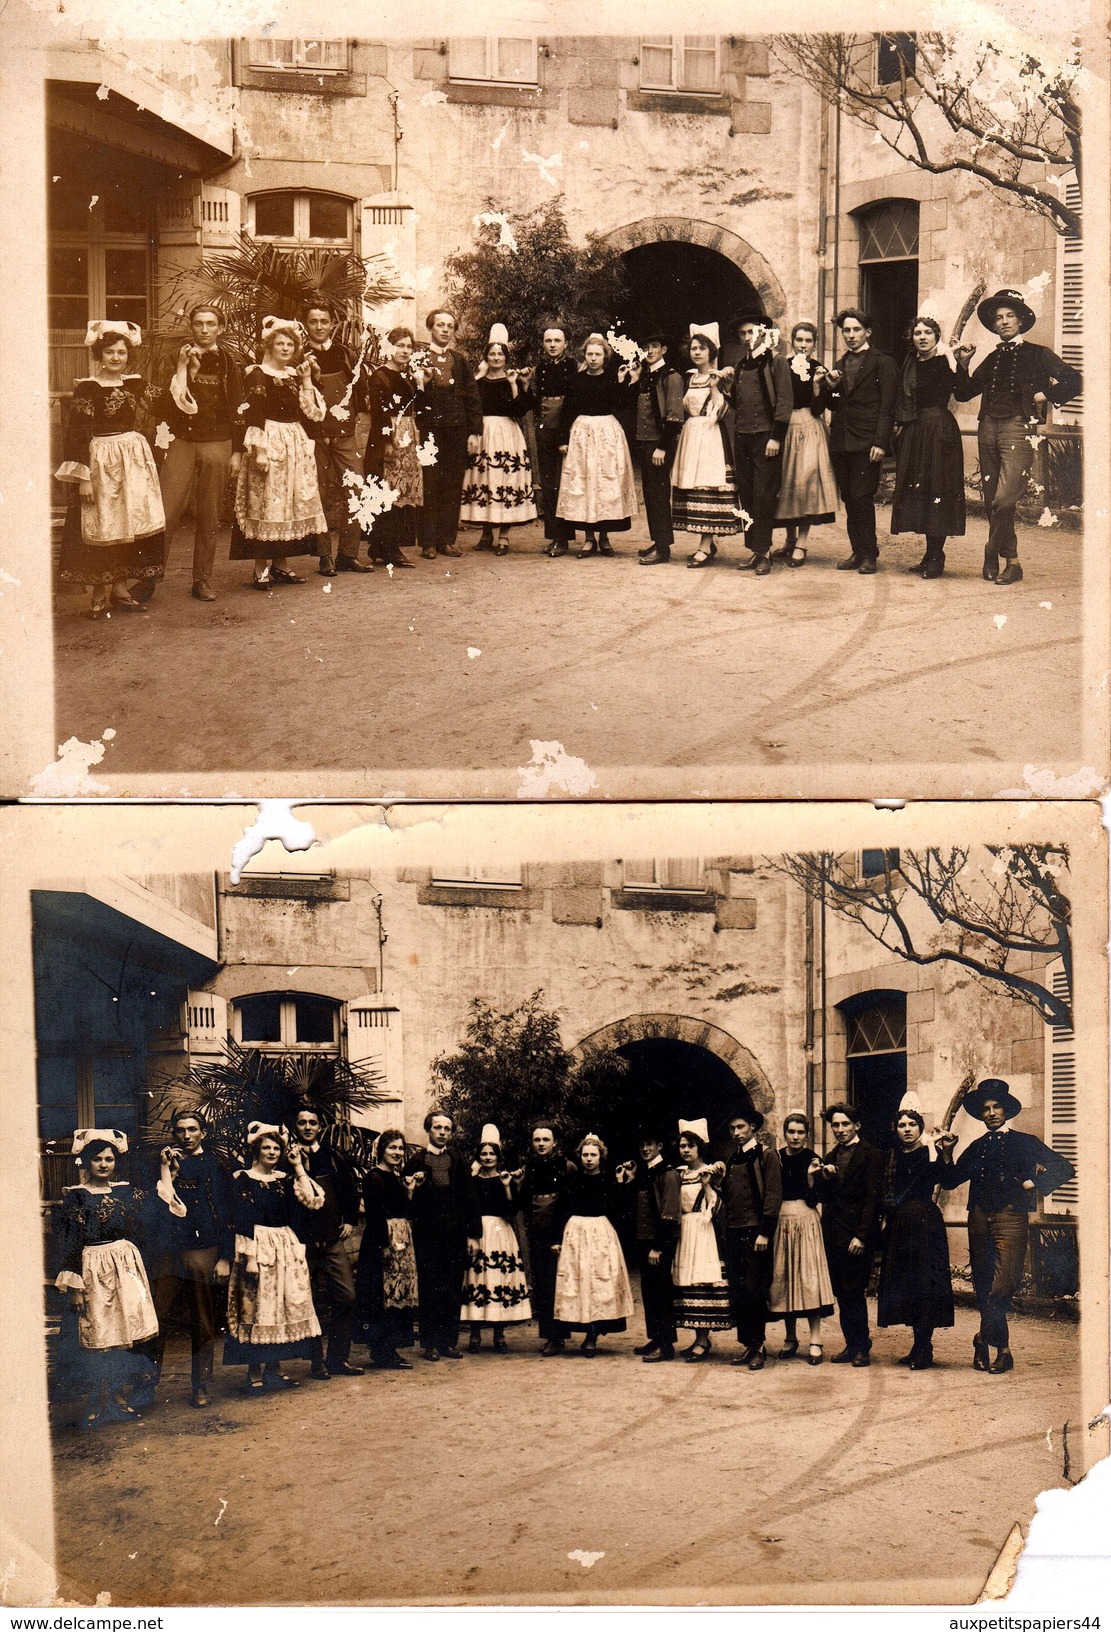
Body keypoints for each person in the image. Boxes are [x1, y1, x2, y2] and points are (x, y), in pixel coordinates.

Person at [935, 1078, 1075, 1373]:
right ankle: (1002, 1350)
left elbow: (1065, 1167)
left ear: (1007, 1110)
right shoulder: (976, 1147)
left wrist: (1035, 1182)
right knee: (984, 1285)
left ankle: (981, 1338)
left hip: (1011, 1218)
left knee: (1003, 1285)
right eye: (985, 1108)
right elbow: (949, 1180)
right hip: (979, 1220)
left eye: (997, 1106)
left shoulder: (1025, 1143)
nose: (991, 1113)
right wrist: (946, 1153)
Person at [53, 1131, 183, 1429]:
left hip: (124, 1269)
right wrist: (74, 1285)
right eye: (97, 1159)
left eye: (109, 1159)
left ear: (116, 1162)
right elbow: (69, 1239)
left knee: (124, 1335)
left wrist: (166, 1171)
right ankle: (97, 1400)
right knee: (97, 1335)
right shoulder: (76, 1195)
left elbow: (155, 1210)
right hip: (92, 1271)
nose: (103, 1164)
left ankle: (116, 1396)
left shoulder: (125, 1192)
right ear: (85, 1161)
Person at [953, 288, 1082, 585]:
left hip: (1019, 428)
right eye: (999, 318)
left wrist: (1044, 394)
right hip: (987, 428)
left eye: (1010, 315)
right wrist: (963, 363)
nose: (1004, 321)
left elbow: (1075, 379)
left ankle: (990, 550)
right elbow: (963, 392)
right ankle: (1012, 563)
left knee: (1004, 497)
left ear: (1021, 321)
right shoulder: (992, 357)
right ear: (994, 325)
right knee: (991, 498)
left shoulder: (1038, 354)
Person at [55, 320, 165, 618]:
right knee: (101, 525)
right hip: (100, 462)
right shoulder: (88, 388)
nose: (116, 358)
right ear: (99, 355)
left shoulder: (135, 384)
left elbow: (167, 405)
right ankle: (99, 593)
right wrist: (83, 478)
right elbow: (77, 433)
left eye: (121, 352)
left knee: (126, 525)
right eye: (109, 352)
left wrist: (185, 372)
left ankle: (120, 589)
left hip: (132, 461)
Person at [150, 302, 245, 604]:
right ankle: (149, 577)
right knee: (167, 511)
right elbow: (162, 405)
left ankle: (201, 579)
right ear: (191, 327)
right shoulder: (172, 358)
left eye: (210, 324)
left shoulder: (230, 362)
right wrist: (182, 368)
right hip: (181, 441)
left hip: (218, 441)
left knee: (209, 513)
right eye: (198, 324)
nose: (204, 329)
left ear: (221, 328)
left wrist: (238, 451)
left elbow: (239, 409)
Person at [219, 1123, 324, 1391]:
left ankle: (274, 1369)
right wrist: (250, 1257)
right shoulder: (241, 1178)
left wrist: (298, 1166)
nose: (272, 1152)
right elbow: (240, 1219)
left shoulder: (285, 1179)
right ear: (256, 1149)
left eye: (276, 1148)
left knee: (281, 1307)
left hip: (284, 1247)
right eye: (266, 1147)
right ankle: (254, 1370)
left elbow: (314, 1201)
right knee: (257, 1307)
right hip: (256, 1246)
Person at [140, 1106, 231, 1409]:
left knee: (202, 1319)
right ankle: (146, 1386)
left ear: (203, 1133)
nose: (186, 1135)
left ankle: (201, 1386)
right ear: (173, 1133)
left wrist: (225, 1256)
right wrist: (166, 1172)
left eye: (193, 1130)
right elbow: (155, 1211)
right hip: (168, 1249)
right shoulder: (165, 1163)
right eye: (181, 1130)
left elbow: (226, 1212)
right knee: (157, 1315)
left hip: (202, 1247)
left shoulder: (214, 1165)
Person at [230, 316, 328, 590]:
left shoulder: (295, 375)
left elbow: (313, 413)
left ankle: (282, 565)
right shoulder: (257, 374)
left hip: (294, 440)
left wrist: (308, 379)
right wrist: (259, 451)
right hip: (270, 440)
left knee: (287, 503)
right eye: (280, 343)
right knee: (267, 502)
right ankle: (260, 567)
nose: (285, 349)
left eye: (290, 344)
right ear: (270, 345)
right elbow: (254, 414)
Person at [289, 1106, 364, 1381]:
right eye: (302, 1123)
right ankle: (316, 1362)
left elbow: (349, 1190)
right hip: (301, 1243)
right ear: (295, 1127)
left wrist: (349, 1220)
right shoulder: (288, 1158)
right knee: (306, 1301)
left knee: (347, 1296)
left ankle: (338, 1359)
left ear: (320, 1127)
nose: (307, 1127)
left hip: (332, 1239)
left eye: (313, 1123)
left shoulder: (332, 1157)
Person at [821, 308, 898, 574]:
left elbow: (888, 406)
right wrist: (829, 388)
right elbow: (834, 405)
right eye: (846, 330)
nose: (851, 335)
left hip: (867, 442)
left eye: (856, 330)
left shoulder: (883, 362)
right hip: (842, 441)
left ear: (868, 332)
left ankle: (869, 554)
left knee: (862, 496)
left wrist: (880, 442)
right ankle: (857, 551)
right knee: (849, 499)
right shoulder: (840, 364)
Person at [876, 1108, 955, 1369]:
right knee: (906, 1285)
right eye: (901, 1125)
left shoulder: (928, 1154)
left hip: (924, 1225)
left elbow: (947, 1179)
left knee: (924, 1284)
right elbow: (885, 1190)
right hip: (899, 1225)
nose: (907, 1129)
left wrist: (945, 1152)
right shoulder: (892, 1156)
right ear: (895, 1129)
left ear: (920, 1128)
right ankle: (917, 1345)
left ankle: (924, 1347)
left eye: (912, 1124)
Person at [891, 317, 967, 579]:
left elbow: (963, 392)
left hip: (939, 430)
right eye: (917, 333)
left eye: (927, 333)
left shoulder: (945, 361)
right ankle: (929, 553)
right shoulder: (909, 363)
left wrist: (959, 362)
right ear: (911, 338)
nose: (922, 337)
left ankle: (937, 555)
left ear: (936, 336)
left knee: (938, 488)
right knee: (921, 490)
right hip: (915, 430)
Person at [550, 1133, 635, 1356]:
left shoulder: (608, 1179)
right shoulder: (571, 1179)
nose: (589, 1159)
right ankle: (568, 1334)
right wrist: (556, 1240)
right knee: (576, 1285)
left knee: (598, 1285)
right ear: (580, 1156)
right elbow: (560, 1210)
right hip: (575, 1236)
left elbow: (618, 1209)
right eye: (585, 1154)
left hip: (600, 1236)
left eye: (593, 1155)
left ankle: (592, 1336)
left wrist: (620, 1183)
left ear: (601, 1156)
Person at [303, 302, 372, 577]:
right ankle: (324, 558)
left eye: (324, 321)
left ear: (333, 324)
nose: (319, 326)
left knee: (356, 491)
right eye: (313, 321)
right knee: (317, 495)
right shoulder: (299, 356)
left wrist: (357, 428)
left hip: (344, 435)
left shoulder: (346, 354)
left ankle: (348, 554)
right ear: (306, 325)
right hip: (313, 437)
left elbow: (360, 394)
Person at [556, 333, 639, 558]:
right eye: (589, 354)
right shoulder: (575, 380)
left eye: (598, 354)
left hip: (607, 435)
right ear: (584, 355)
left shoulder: (612, 378)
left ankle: (604, 538)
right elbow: (567, 411)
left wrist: (623, 382)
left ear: (605, 356)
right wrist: (563, 439)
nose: (593, 358)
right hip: (582, 434)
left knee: (604, 484)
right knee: (585, 484)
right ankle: (588, 539)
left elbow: (622, 405)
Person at [670, 324, 744, 569]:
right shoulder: (690, 377)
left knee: (708, 484)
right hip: (691, 435)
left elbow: (721, 412)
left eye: (702, 348)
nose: (697, 352)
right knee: (692, 486)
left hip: (710, 436)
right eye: (693, 348)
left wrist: (715, 385)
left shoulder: (721, 377)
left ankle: (704, 544)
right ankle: (707, 543)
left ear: (712, 351)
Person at [816, 1102, 885, 1365]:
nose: (841, 1129)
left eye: (846, 1124)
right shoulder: (830, 1157)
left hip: (857, 1237)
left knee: (855, 1291)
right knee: (842, 1293)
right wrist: (822, 1176)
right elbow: (825, 1198)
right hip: (834, 1235)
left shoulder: (872, 1154)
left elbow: (872, 1199)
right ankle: (850, 1344)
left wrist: (862, 1236)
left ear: (857, 1125)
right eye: (836, 1125)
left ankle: (862, 1346)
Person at [460, 327, 538, 553]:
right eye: (492, 354)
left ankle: (504, 536)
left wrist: (516, 384)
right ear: (486, 357)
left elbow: (519, 410)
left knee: (505, 481)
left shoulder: (511, 379)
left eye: (500, 354)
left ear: (506, 358)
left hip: (507, 434)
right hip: (484, 434)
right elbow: (469, 404)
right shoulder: (479, 381)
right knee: (486, 481)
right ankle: (486, 533)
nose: (496, 358)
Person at [416, 308, 483, 560]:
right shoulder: (418, 358)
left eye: (450, 326)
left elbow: (473, 397)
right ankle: (428, 543)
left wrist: (474, 432)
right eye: (440, 325)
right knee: (430, 484)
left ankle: (448, 540)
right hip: (430, 431)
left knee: (452, 484)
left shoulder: (459, 360)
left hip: (457, 430)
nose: (445, 330)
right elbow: (411, 395)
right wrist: (420, 381)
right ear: (431, 328)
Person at [729, 314, 793, 576]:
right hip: (742, 436)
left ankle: (765, 551)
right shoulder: (740, 365)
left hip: (766, 438)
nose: (747, 338)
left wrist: (776, 437)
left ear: (764, 333)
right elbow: (736, 403)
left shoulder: (776, 362)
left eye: (751, 332)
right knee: (747, 494)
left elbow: (785, 402)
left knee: (764, 495)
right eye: (743, 334)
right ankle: (755, 551)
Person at [767, 1112, 834, 1365]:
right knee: (785, 1278)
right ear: (784, 1133)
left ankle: (815, 1339)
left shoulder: (814, 1159)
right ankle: (790, 1337)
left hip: (806, 1221)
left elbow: (816, 1199)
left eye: (800, 1132)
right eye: (791, 1132)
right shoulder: (776, 1158)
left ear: (807, 1135)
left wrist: (810, 1177)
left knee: (808, 1280)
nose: (795, 1137)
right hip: (781, 1222)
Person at [353, 1129, 423, 1369]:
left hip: (402, 1241)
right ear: (381, 1150)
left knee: (397, 1294)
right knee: (382, 1295)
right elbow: (375, 1215)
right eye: (392, 1147)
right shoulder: (374, 1177)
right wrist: (384, 1246)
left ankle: (389, 1348)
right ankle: (382, 1350)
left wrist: (411, 1191)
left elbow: (404, 1210)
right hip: (382, 1241)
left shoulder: (395, 1176)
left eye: (400, 1148)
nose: (397, 1152)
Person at [409, 1109, 475, 1361]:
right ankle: (431, 1344)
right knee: (430, 1287)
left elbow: (469, 1198)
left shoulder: (458, 1160)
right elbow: (408, 1199)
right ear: (428, 1130)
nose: (442, 1133)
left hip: (454, 1236)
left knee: (451, 1288)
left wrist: (472, 1234)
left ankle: (448, 1342)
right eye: (438, 1128)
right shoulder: (416, 1161)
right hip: (427, 1236)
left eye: (447, 1129)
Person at [360, 326, 428, 568]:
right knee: (387, 491)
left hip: (407, 436)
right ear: (389, 348)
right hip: (387, 438)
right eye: (400, 345)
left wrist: (421, 384)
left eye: (409, 347)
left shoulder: (409, 376)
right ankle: (387, 547)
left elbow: (416, 407)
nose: (405, 350)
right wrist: (387, 443)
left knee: (402, 492)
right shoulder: (380, 376)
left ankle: (383, 546)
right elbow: (378, 414)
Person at [771, 321, 837, 568]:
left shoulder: (819, 369)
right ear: (792, 341)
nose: (803, 345)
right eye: (799, 340)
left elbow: (823, 408)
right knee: (787, 483)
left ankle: (802, 542)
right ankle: (788, 540)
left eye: (808, 341)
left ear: (815, 344)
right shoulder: (783, 366)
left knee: (805, 483)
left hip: (810, 427)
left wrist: (818, 386)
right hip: (786, 427)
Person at [461, 1124, 532, 1350]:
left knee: (500, 1279)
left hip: (501, 1233)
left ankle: (499, 1335)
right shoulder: (471, 1180)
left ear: (498, 1156)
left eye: (492, 1153)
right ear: (479, 1156)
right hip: (478, 1232)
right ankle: (474, 1335)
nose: (488, 1157)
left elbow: (512, 1211)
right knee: (477, 1280)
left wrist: (507, 1186)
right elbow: (466, 1208)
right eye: (484, 1153)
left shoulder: (506, 1179)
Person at [721, 1109, 782, 1370]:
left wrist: (765, 1233)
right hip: (734, 1233)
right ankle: (747, 1344)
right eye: (733, 1128)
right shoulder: (731, 1158)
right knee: (739, 1291)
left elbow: (772, 1196)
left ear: (753, 1128)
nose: (736, 1133)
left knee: (755, 1291)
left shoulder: (766, 1156)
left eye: (741, 1127)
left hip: (756, 1233)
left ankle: (759, 1347)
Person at [671, 1119, 732, 1359]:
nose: (686, 1150)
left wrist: (707, 1185)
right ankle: (698, 1337)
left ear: (700, 1147)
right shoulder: (677, 1174)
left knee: (702, 1283)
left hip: (702, 1231)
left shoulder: (709, 1171)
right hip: (684, 1231)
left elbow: (715, 1208)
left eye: (691, 1146)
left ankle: (703, 1340)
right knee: (687, 1283)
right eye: (683, 1146)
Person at [625, 1128, 681, 1362]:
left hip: (658, 1244)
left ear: (660, 1145)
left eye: (649, 1144)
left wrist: (659, 1246)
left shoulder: (667, 1173)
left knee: (661, 1293)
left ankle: (666, 1345)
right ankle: (656, 1338)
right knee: (649, 1292)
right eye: (642, 1145)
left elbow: (669, 1213)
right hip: (644, 1242)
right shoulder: (646, 1172)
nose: (645, 1149)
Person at [520, 1123, 576, 1356]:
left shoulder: (567, 1166)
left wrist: (559, 1237)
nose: (541, 1144)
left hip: (560, 1233)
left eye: (545, 1140)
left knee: (558, 1285)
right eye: (537, 1140)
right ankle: (550, 1335)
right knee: (543, 1285)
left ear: (555, 1143)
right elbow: (524, 1201)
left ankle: (558, 1337)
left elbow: (570, 1204)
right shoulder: (530, 1167)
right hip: (537, 1233)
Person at [629, 332, 684, 566]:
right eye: (645, 347)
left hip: (659, 444)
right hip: (645, 442)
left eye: (654, 346)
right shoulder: (645, 375)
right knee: (651, 494)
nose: (649, 351)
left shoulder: (670, 377)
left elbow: (674, 417)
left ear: (664, 349)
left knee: (659, 495)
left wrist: (662, 447)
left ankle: (663, 549)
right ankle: (658, 541)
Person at [533, 325, 578, 555]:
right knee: (548, 483)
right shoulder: (540, 368)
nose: (552, 345)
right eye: (548, 340)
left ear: (566, 344)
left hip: (563, 429)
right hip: (543, 428)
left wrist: (565, 435)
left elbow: (572, 404)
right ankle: (553, 536)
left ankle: (563, 538)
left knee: (563, 483)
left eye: (557, 340)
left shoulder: (572, 367)